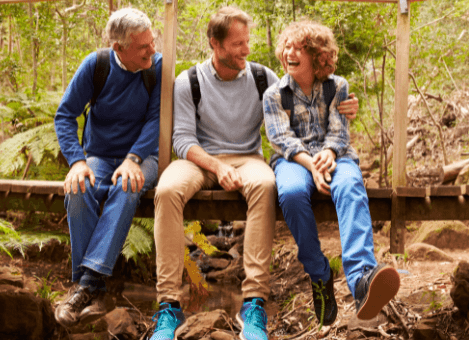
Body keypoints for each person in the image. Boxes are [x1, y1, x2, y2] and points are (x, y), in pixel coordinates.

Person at [149, 8, 359, 340]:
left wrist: (344, 105)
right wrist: (217, 167)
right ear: (215, 45)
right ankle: (168, 306)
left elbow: (304, 100)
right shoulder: (188, 81)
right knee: (166, 190)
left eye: (247, 41)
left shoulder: (264, 79)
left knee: (265, 184)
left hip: (248, 158)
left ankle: (254, 303)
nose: (246, 50)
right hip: (199, 160)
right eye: (238, 44)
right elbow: (182, 140)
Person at [262, 21, 400, 327]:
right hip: (293, 160)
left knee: (350, 184)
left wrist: (328, 153)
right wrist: (311, 164)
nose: (289, 52)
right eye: (287, 46)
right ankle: (319, 274)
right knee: (293, 193)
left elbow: (339, 134)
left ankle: (362, 279)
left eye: (299, 48)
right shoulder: (274, 94)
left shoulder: (337, 86)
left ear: (318, 55)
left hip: (335, 155)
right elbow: (281, 139)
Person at [53, 8, 162, 328]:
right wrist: (77, 161)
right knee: (78, 187)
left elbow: (158, 119)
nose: (152, 51)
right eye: (144, 47)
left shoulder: (155, 69)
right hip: (99, 155)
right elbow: (65, 115)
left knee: (127, 185)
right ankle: (98, 289)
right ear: (119, 48)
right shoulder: (96, 65)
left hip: (145, 157)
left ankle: (84, 286)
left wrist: (134, 158)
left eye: (152, 42)